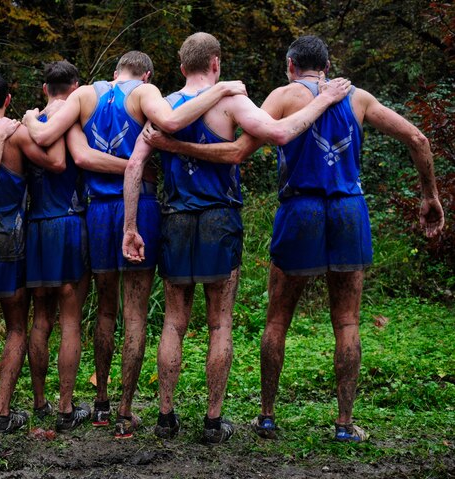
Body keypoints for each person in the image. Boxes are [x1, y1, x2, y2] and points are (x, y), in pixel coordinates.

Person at [151, 35, 444, 442]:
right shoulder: (357, 99)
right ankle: (344, 425)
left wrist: (170, 145)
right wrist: (429, 195)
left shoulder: (282, 97)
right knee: (347, 321)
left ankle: (267, 417)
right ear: (326, 65)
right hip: (348, 210)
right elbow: (418, 139)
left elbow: (237, 150)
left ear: (290, 65)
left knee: (276, 319)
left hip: (298, 211)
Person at [121, 33, 352, 444]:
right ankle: (212, 421)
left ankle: (165, 416)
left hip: (175, 217)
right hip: (219, 219)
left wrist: (131, 226)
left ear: (180, 67)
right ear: (216, 63)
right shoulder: (232, 102)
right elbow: (280, 133)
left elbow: (135, 166)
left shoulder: (163, 106)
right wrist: (324, 99)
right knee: (219, 322)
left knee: (173, 321)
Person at [23, 50, 245, 438]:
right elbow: (173, 120)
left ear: (114, 71)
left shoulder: (85, 95)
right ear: (146, 74)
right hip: (139, 205)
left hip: (96, 211)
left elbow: (67, 149)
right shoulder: (145, 93)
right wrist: (222, 88)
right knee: (135, 314)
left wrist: (28, 117)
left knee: (104, 310)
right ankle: (126, 411)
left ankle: (103, 404)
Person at [0, 72, 65, 434]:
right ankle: (3, 411)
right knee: (17, 326)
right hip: (10, 239)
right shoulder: (17, 135)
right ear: (7, 99)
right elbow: (52, 163)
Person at [25, 61, 93, 431]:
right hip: (68, 221)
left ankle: (39, 402)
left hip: (36, 224)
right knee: (70, 322)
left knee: (40, 319)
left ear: (45, 88)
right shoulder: (72, 121)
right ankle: (66, 408)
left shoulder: (28, 124)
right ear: (76, 86)